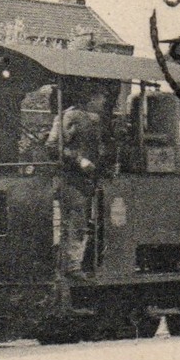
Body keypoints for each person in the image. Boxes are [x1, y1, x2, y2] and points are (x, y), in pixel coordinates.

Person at [47, 86, 111, 275]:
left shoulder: (95, 120)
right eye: (101, 97)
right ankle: (71, 267)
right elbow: (53, 146)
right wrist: (79, 160)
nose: (104, 102)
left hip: (88, 181)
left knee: (83, 223)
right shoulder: (70, 116)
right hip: (71, 179)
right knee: (74, 223)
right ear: (91, 98)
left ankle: (78, 263)